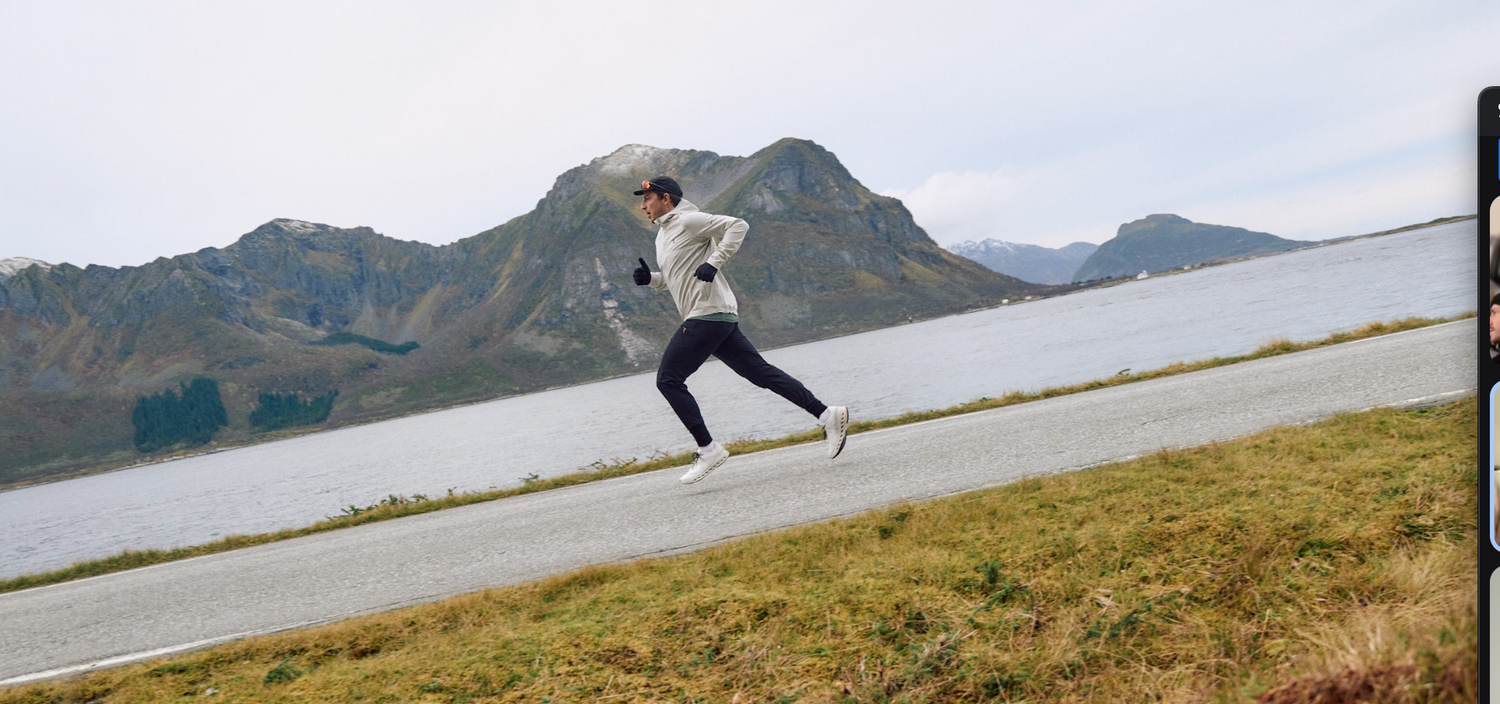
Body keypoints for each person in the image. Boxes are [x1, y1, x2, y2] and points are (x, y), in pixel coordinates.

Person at [630, 176, 849, 484]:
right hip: (716, 316)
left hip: (706, 314)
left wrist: (715, 262)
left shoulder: (690, 220)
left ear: (665, 199)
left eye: (647, 199)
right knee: (761, 373)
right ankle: (828, 415)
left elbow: (738, 225)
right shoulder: (662, 236)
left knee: (668, 380)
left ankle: (708, 449)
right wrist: (649, 279)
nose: (642, 206)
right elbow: (671, 277)